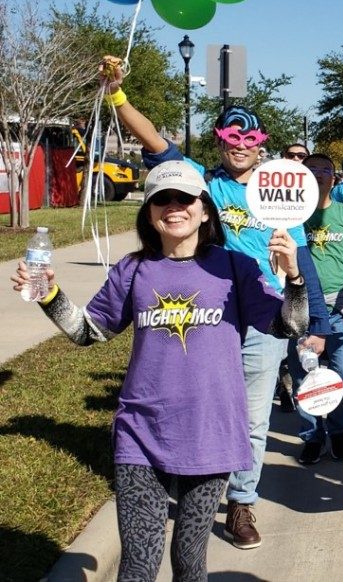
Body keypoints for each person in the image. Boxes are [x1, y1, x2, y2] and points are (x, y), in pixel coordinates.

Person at [11, 161, 309, 580]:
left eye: (184, 198)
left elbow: (290, 326)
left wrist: (294, 277)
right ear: (149, 213)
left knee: (189, 562)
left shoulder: (235, 268)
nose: (173, 206)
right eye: (161, 199)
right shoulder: (133, 269)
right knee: (138, 563)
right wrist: (49, 295)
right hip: (141, 433)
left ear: (204, 210)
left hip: (211, 434)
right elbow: (88, 331)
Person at [102, 56, 330, 549]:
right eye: (231, 138)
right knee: (206, 408)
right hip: (208, 313)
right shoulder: (201, 184)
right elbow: (156, 143)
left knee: (253, 417)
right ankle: (188, 482)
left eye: (250, 139)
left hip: (263, 313)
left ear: (262, 143)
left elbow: (303, 262)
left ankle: (242, 503)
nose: (240, 147)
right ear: (220, 142)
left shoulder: (281, 194)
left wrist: (318, 321)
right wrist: (118, 95)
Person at [289, 154, 343, 463]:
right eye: (311, 169)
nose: (318, 174)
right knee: (304, 376)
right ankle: (312, 436)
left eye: (325, 169)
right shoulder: (292, 214)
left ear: (334, 176)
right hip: (301, 307)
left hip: (340, 307)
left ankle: (338, 430)